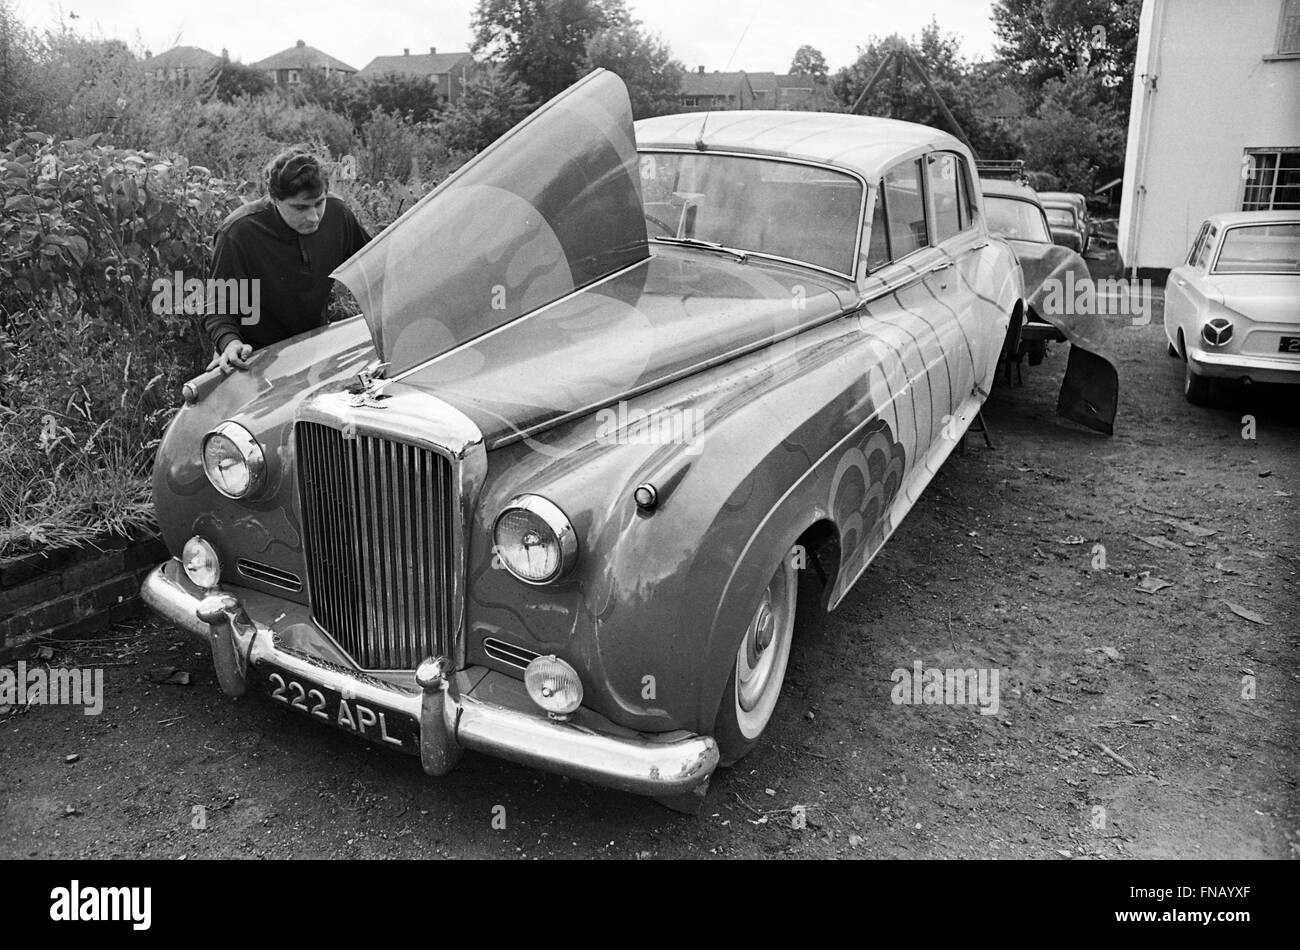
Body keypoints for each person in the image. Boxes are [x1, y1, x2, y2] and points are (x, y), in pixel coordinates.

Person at [203, 146, 371, 373]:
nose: (313, 217)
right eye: (300, 207)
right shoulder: (238, 232)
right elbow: (218, 305)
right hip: (253, 357)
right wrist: (230, 342)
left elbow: (375, 266)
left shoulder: (338, 214)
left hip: (314, 347)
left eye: (319, 203)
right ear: (275, 199)